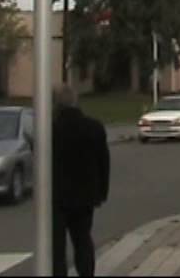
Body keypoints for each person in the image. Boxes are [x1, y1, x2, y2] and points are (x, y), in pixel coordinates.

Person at [53, 86, 110, 277]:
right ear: (76, 102)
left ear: (56, 105)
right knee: (83, 240)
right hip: (85, 196)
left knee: (57, 247)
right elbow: (104, 162)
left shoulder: (50, 129)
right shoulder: (94, 127)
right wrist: (102, 192)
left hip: (57, 197)